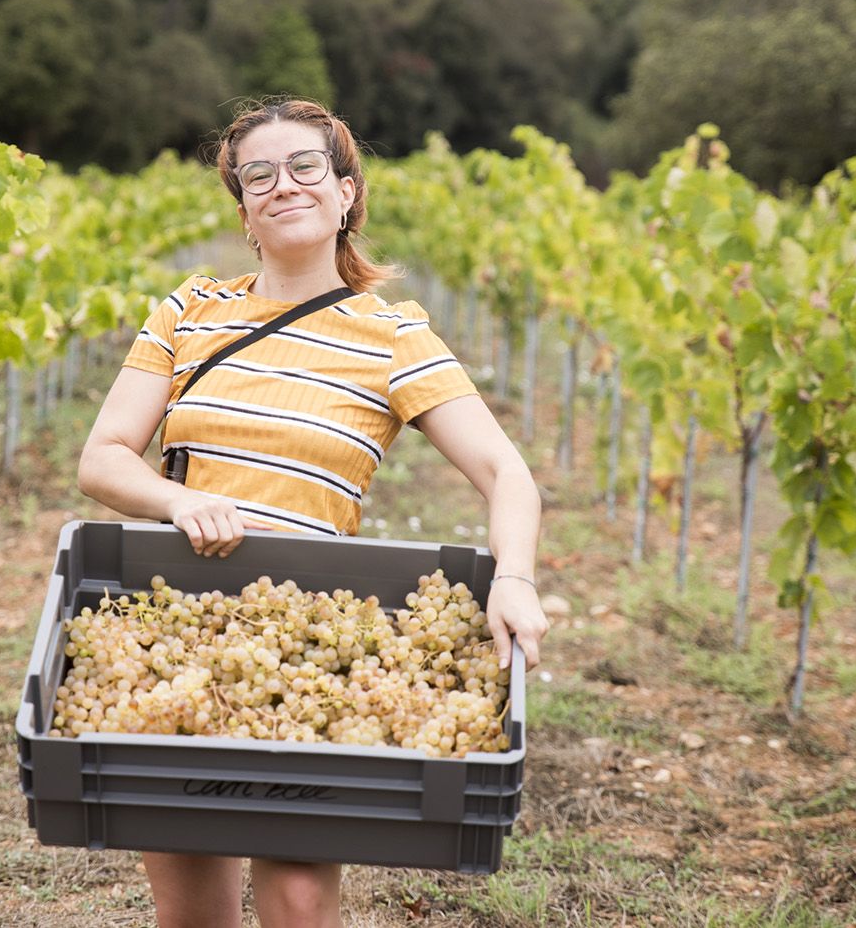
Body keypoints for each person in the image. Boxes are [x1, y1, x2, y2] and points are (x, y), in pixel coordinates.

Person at [77, 97, 548, 928]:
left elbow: (506, 474)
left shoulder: (392, 336)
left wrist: (513, 578)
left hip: (306, 638)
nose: (282, 185)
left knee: (297, 897)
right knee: (188, 901)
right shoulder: (189, 310)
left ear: (344, 194)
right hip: (177, 628)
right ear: (244, 210)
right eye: (258, 175)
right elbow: (104, 456)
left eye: (305, 167)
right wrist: (181, 500)